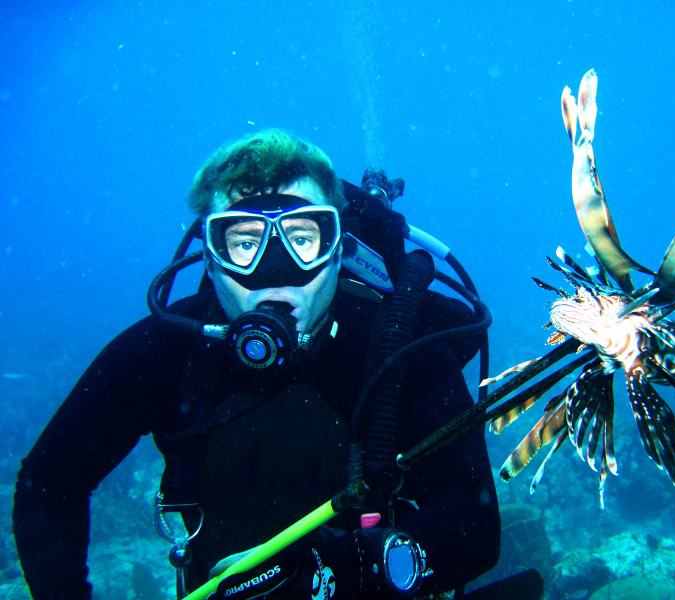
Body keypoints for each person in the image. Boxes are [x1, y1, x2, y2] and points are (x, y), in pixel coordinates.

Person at [13, 129, 502, 599]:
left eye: (301, 237)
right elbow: (50, 482)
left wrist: (341, 571)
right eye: (244, 242)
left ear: (337, 250)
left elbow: (475, 526)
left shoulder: (400, 351)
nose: (275, 271)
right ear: (210, 257)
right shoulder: (164, 355)